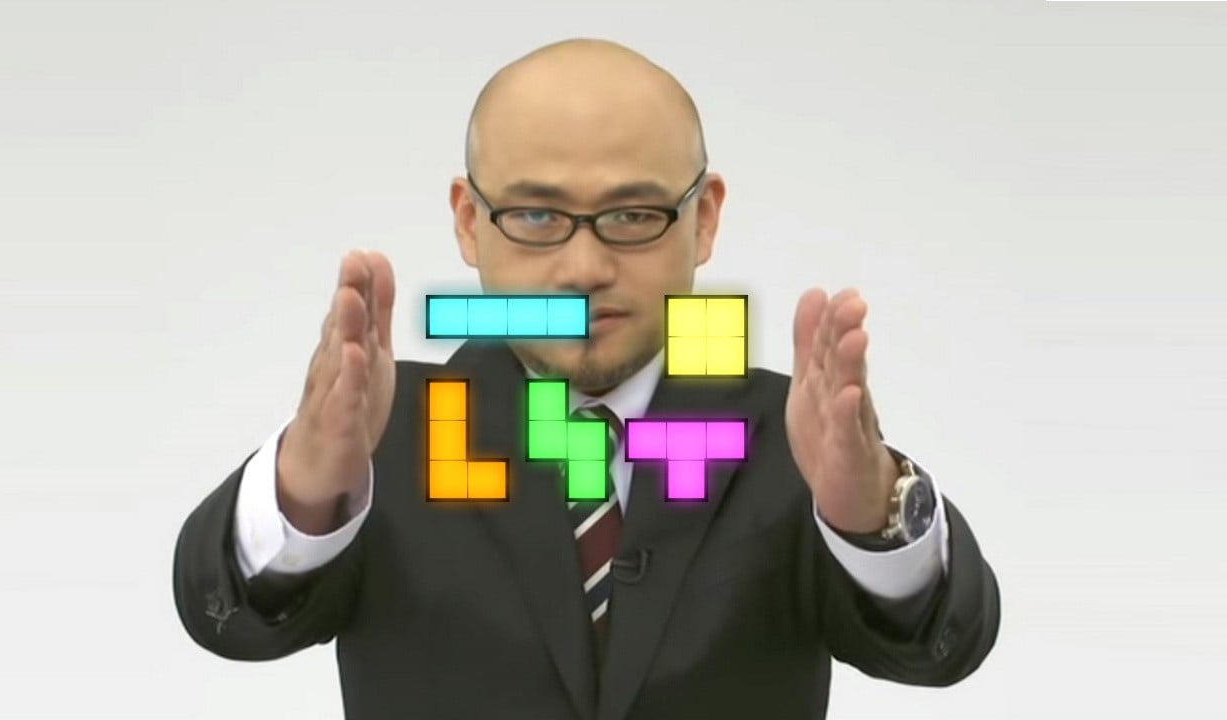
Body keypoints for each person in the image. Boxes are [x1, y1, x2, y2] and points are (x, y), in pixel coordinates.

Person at [172, 38, 1000, 720]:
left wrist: (873, 518)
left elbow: (944, 643)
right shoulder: (384, 438)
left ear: (704, 219)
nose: (583, 268)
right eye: (535, 216)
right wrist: (302, 490)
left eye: (633, 216)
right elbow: (229, 619)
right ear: (470, 221)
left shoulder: (796, 437)